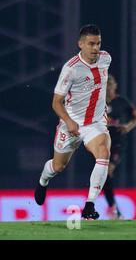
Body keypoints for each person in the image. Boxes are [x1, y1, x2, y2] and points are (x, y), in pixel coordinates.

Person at [34, 24, 112, 220]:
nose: (95, 48)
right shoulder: (71, 69)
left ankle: (89, 205)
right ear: (80, 44)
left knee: (103, 151)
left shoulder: (106, 58)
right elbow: (56, 102)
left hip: (95, 123)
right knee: (58, 167)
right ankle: (43, 181)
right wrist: (68, 121)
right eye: (91, 44)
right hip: (71, 124)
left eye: (98, 43)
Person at [103, 75, 136, 219]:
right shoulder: (96, 102)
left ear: (115, 85)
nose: (108, 86)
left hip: (117, 141)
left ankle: (113, 209)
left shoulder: (121, 102)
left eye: (110, 83)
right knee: (104, 174)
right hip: (101, 141)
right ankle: (113, 208)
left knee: (107, 171)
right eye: (106, 83)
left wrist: (128, 126)